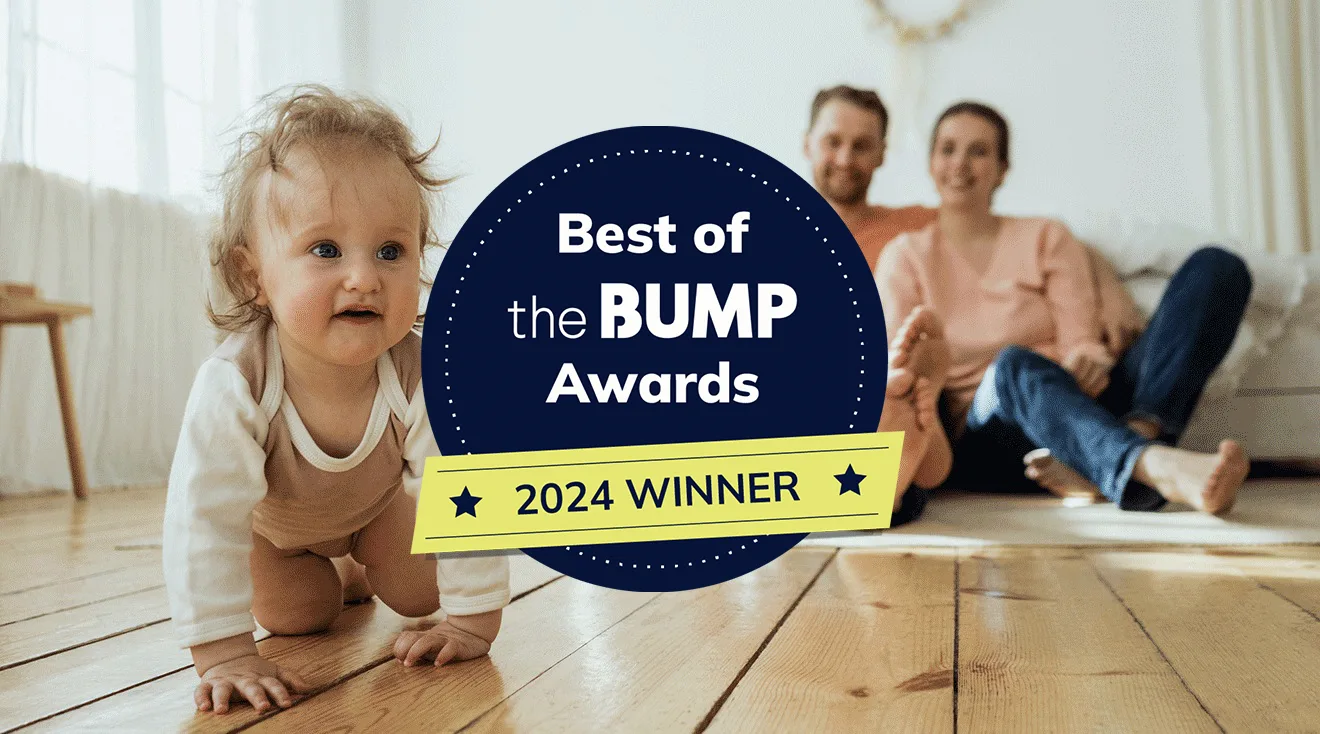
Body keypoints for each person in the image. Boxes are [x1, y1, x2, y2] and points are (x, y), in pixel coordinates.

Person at [163, 86, 510, 715]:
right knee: (302, 615)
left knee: (420, 588)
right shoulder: (236, 382)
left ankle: (360, 563)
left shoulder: (422, 373)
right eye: (326, 250)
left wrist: (471, 623)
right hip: (275, 533)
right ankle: (336, 577)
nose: (364, 276)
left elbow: (465, 486)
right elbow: (204, 518)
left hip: (372, 512)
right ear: (253, 277)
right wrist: (223, 651)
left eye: (391, 251)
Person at [875, 100, 1253, 522]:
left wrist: (1087, 357)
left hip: (1079, 399)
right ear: (930, 162)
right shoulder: (905, 256)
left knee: (1218, 268)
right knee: (1013, 366)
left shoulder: (1046, 236)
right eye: (948, 149)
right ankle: (1155, 466)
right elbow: (902, 371)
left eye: (979, 151)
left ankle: (1128, 442)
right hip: (991, 438)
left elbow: (1081, 338)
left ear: (1002, 169)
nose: (960, 163)